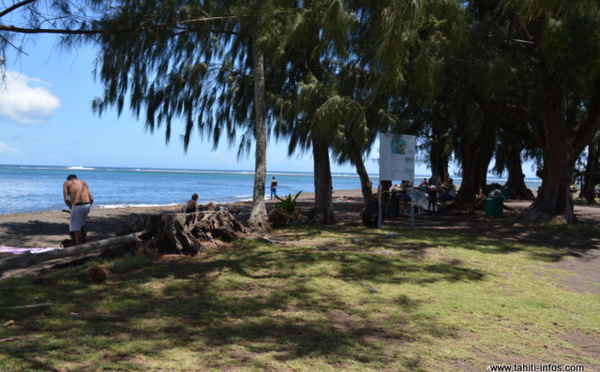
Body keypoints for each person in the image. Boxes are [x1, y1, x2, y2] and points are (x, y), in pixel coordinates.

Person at [63, 174, 94, 245]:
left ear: (68, 179)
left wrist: (71, 208)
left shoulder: (66, 183)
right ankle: (83, 244)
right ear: (76, 178)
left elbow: (66, 199)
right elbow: (91, 198)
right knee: (82, 226)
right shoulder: (84, 182)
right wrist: (88, 206)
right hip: (87, 205)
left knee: (76, 229)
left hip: (77, 206)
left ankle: (79, 250)